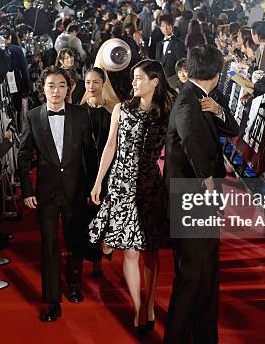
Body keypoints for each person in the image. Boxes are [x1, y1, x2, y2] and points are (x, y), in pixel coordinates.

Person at [89, 60, 174, 333]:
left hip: (149, 186)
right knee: (129, 251)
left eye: (138, 78)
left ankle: (149, 304)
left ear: (154, 81)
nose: (133, 83)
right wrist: (99, 180)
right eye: (133, 78)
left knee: (150, 251)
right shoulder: (121, 109)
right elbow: (110, 146)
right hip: (121, 185)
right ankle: (138, 307)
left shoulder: (167, 113)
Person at [164, 44, 239, 343]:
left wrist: (218, 109)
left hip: (200, 202)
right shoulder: (186, 102)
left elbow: (232, 129)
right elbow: (194, 147)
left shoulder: (204, 98)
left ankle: (205, 336)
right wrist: (210, 191)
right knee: (193, 277)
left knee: (208, 275)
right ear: (218, 74)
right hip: (191, 202)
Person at [17, 66, 97, 322]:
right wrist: (27, 190)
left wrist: (94, 187)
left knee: (75, 240)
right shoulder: (32, 116)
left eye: (62, 85)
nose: (56, 91)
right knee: (49, 245)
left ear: (69, 88)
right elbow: (23, 155)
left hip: (76, 190)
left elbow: (91, 154)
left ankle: (74, 284)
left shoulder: (81, 115)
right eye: (51, 85)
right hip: (46, 192)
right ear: (43, 89)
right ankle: (52, 300)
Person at [80, 67, 113, 276]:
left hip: (106, 169)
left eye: (95, 82)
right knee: (87, 216)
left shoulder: (111, 112)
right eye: (87, 82)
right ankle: (92, 259)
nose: (91, 86)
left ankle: (99, 257)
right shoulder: (78, 111)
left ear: (103, 84)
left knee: (103, 213)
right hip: (84, 168)